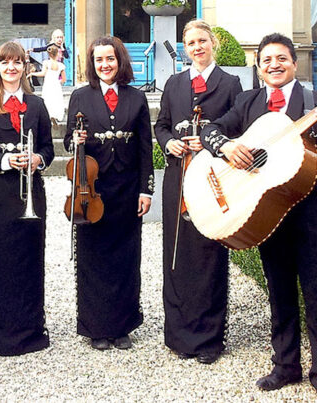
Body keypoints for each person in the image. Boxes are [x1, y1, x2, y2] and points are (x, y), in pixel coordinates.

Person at [200, 33, 317, 392]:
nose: (274, 65)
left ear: (294, 63)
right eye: (267, 60)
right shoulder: (249, 102)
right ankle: (285, 366)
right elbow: (209, 131)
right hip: (268, 215)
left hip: (310, 214)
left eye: (281, 58)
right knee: (279, 292)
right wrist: (229, 148)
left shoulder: (311, 101)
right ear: (259, 66)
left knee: (316, 294)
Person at [154, 19, 242, 364]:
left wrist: (212, 146)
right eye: (190, 43)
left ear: (213, 43)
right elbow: (161, 125)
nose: (196, 47)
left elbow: (240, 129)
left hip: (212, 180)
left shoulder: (230, 83)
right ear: (185, 48)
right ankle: (178, 335)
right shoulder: (174, 83)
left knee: (209, 255)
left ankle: (209, 339)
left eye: (202, 41)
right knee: (176, 256)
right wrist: (170, 142)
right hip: (179, 177)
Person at [63, 36, 153, 351]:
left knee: (127, 258)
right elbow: (65, 142)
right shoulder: (80, 97)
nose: (105, 65)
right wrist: (75, 138)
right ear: (93, 64)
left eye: (110, 59)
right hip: (92, 189)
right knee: (93, 256)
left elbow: (145, 147)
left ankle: (123, 325)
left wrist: (146, 189)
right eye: (99, 60)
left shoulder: (137, 98)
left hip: (128, 188)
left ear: (120, 62)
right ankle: (96, 327)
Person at [0, 41, 54, 356]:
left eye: (18, 63)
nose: (12, 68)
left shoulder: (37, 105)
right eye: (5, 63)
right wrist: (4, 161)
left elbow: (48, 148)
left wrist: (36, 160)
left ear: (25, 67)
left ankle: (29, 332)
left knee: (28, 259)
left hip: (31, 191)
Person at [27, 45, 66, 123]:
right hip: (56, 84)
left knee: (48, 99)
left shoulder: (46, 63)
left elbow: (43, 73)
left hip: (48, 83)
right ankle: (56, 115)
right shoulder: (61, 65)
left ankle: (49, 114)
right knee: (56, 99)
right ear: (57, 53)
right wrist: (59, 83)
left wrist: (32, 74)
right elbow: (64, 79)